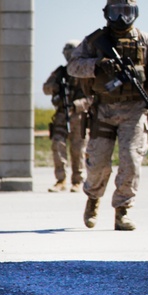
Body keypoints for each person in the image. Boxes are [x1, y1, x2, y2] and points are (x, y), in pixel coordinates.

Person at [67, 0, 148, 231]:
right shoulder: (95, 41)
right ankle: (93, 199)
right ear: (107, 13)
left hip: (135, 111)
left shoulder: (147, 42)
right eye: (116, 13)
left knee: (131, 161)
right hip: (103, 109)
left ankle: (122, 212)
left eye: (127, 13)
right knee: (97, 164)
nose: (122, 18)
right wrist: (97, 65)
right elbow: (73, 66)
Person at [42, 40, 91, 193]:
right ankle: (60, 180)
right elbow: (46, 88)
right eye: (67, 51)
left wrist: (77, 104)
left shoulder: (85, 72)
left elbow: (93, 96)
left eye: (71, 51)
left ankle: (77, 181)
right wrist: (56, 87)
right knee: (57, 145)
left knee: (78, 150)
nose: (69, 55)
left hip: (79, 117)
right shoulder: (60, 72)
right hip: (61, 116)